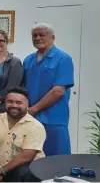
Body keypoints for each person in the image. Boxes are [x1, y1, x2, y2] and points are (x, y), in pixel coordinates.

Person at [22, 23, 74, 156]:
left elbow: (58, 91)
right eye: (35, 35)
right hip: (31, 117)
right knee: (31, 156)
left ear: (53, 37)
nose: (38, 38)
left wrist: (34, 109)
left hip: (54, 118)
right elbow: (22, 88)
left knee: (56, 158)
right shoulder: (28, 60)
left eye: (42, 35)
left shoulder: (63, 58)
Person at [0, 87, 45, 182]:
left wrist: (1, 171)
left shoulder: (36, 126)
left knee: (22, 171)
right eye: (10, 101)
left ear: (27, 105)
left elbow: (27, 156)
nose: (14, 105)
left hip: (25, 170)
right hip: (0, 168)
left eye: (19, 103)